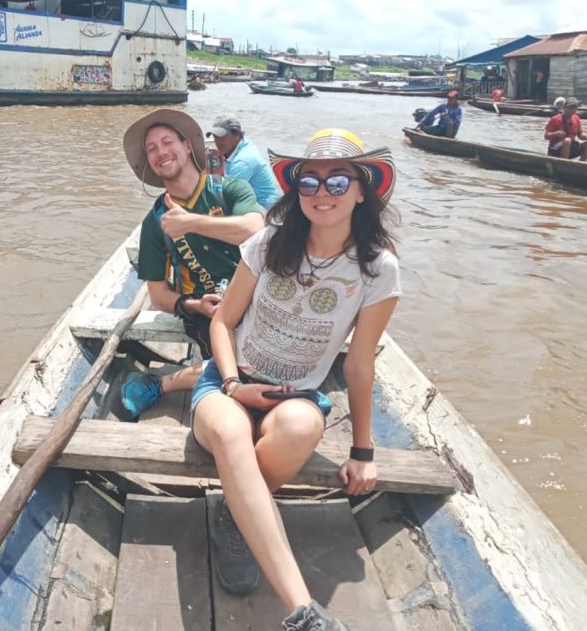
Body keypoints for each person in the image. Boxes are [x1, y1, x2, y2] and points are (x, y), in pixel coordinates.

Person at [191, 128, 400, 630]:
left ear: (361, 189)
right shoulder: (266, 244)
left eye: (337, 182)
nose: (321, 193)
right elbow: (221, 322)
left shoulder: (378, 270)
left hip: (297, 395)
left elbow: (359, 364)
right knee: (229, 430)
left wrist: (363, 452)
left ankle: (234, 516)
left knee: (303, 429)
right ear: (296, 190)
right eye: (310, 182)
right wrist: (231, 382)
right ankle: (304, 611)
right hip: (229, 383)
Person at [119, 109, 265, 419]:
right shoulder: (155, 222)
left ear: (187, 145)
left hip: (256, 299)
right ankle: (164, 384)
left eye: (166, 141)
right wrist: (197, 305)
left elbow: (255, 230)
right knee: (244, 366)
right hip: (207, 313)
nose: (161, 152)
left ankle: (166, 383)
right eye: (151, 148)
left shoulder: (230, 190)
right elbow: (158, 296)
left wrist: (191, 223)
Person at [207, 115, 283, 208]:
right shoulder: (244, 144)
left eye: (222, 137)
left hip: (263, 211)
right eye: (215, 137)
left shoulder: (243, 162)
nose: (218, 142)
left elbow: (226, 199)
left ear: (237, 135)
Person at [544, 97, 587, 161]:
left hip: (570, 147)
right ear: (564, 108)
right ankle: (564, 164)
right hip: (555, 148)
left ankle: (580, 164)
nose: (572, 110)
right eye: (570, 108)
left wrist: (586, 136)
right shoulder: (555, 119)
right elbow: (546, 136)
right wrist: (555, 133)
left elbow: (580, 134)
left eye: (574, 108)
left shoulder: (576, 118)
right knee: (567, 140)